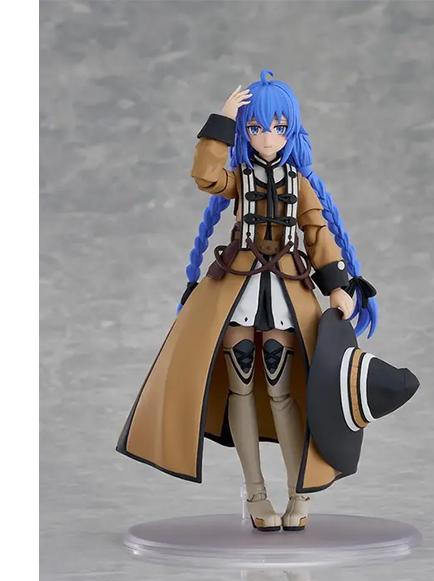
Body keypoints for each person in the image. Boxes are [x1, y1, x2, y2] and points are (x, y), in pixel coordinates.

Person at [117, 70, 378, 532]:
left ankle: (300, 492)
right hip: (237, 288)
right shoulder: (238, 178)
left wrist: (337, 284)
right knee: (240, 383)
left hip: (286, 291)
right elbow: (205, 175)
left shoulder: (300, 183)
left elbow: (317, 233)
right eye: (255, 127)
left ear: (291, 130)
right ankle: (256, 493)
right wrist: (221, 122)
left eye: (277, 127)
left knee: (281, 388)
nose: (267, 137)